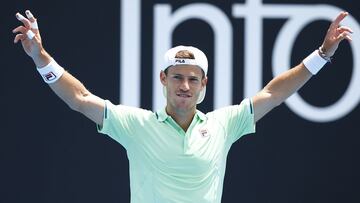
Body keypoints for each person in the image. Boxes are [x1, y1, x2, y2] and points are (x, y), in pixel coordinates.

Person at [13, 9, 352, 203]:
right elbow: (80, 98)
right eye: (177, 77)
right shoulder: (136, 124)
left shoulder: (224, 124)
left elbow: (275, 93)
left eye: (193, 79)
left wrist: (322, 56)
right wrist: (40, 57)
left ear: (204, 84)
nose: (185, 86)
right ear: (163, 79)